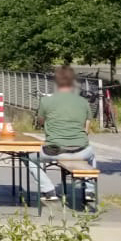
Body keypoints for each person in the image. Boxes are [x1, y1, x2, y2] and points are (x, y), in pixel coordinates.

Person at [33, 66, 97, 205]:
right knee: (91, 155)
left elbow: (40, 121)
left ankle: (49, 190)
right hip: (81, 150)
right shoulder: (83, 102)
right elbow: (87, 126)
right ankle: (90, 190)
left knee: (30, 159)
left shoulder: (46, 101)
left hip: (54, 150)